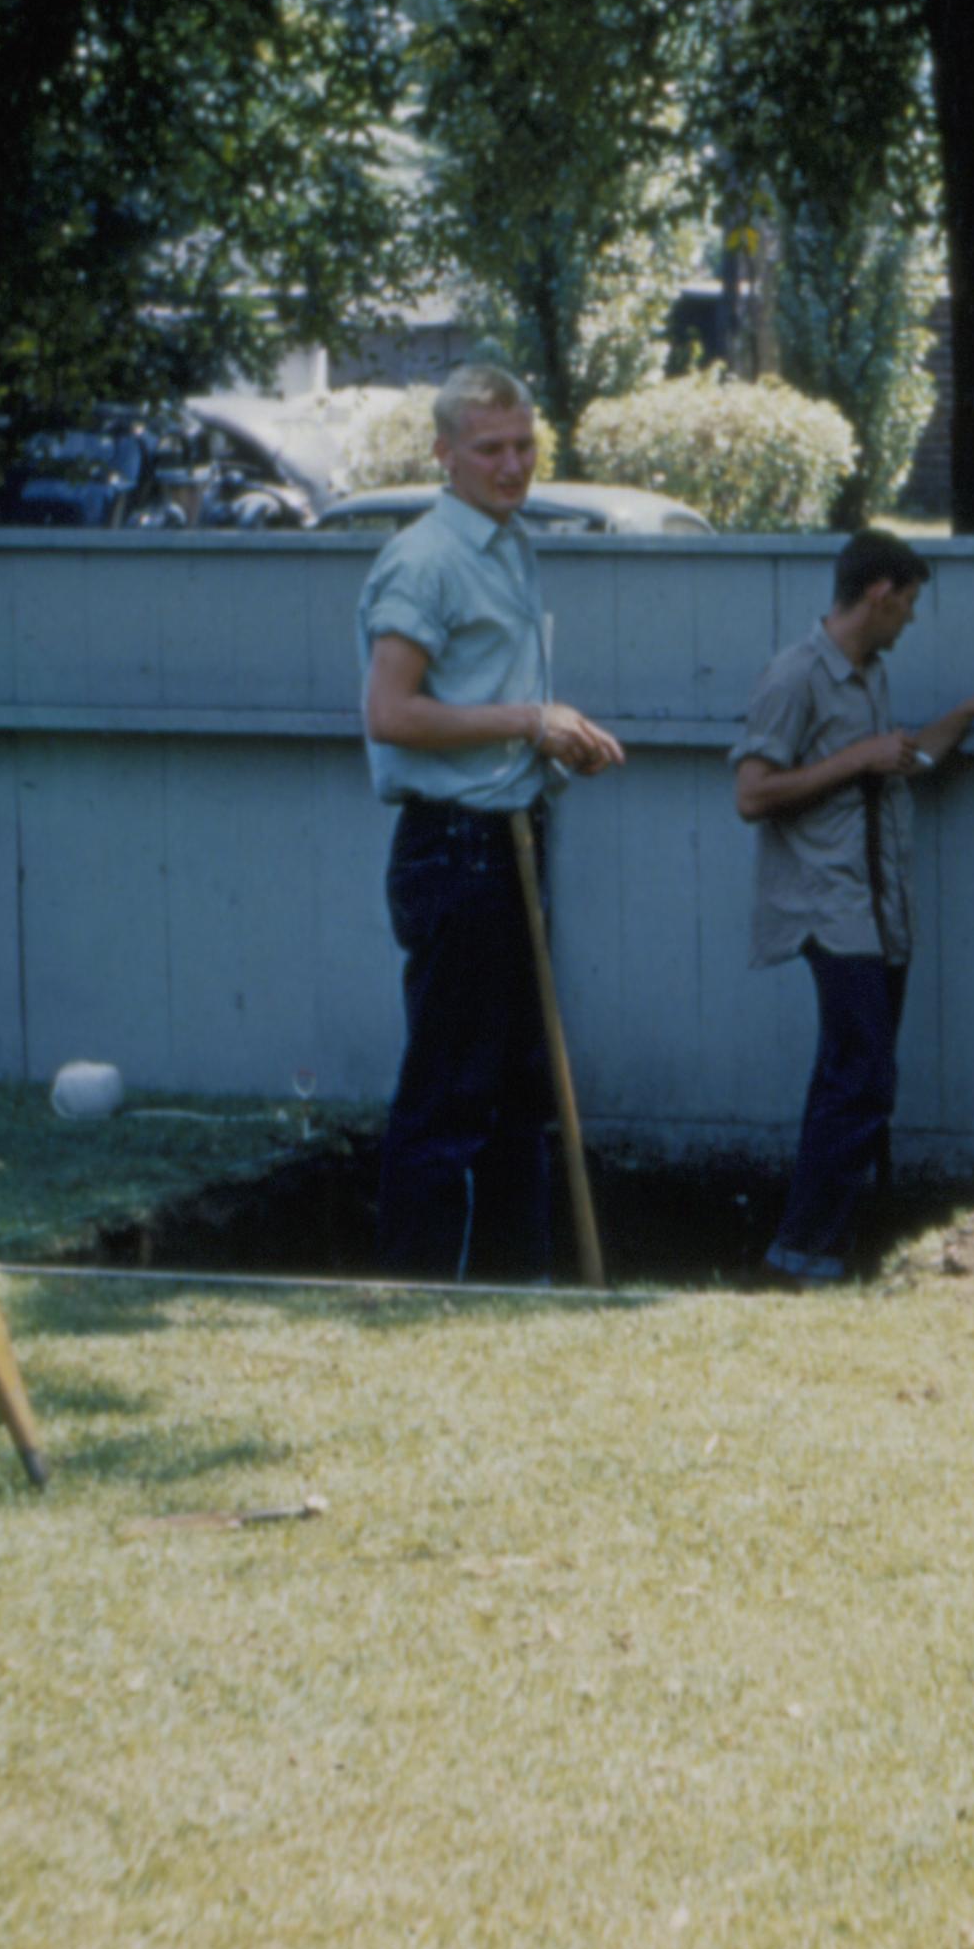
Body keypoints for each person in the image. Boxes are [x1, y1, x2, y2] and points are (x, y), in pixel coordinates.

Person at [357, 363, 626, 1281]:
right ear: (444, 453)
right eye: (490, 450)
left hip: (515, 839)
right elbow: (390, 712)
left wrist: (549, 741)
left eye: (524, 446)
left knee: (521, 1091)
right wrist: (526, 723)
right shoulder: (427, 557)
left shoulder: (509, 543)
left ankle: (520, 1301)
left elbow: (483, 699)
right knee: (449, 1096)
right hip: (455, 852)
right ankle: (412, 1303)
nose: (513, 466)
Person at [732, 530, 974, 1284]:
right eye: (906, 604)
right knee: (860, 1081)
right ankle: (803, 1257)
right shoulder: (795, 675)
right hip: (828, 909)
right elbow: (751, 793)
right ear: (878, 595)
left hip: (878, 911)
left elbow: (902, 763)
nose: (909, 620)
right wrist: (855, 760)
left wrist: (970, 711)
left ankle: (822, 1251)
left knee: (857, 1080)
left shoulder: (868, 673)